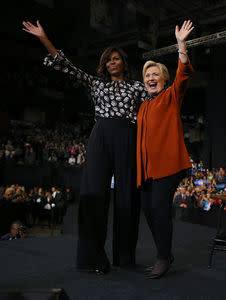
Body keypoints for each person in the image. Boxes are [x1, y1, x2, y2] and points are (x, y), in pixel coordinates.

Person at [23, 20, 148, 274]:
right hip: (100, 136)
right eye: (108, 59)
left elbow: (159, 104)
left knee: (127, 198)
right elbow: (65, 65)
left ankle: (125, 258)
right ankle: (92, 258)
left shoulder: (137, 87)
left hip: (127, 136)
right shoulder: (96, 84)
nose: (112, 62)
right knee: (94, 196)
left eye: (116, 58)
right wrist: (43, 37)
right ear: (105, 64)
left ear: (123, 61)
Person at [137, 20, 195, 279]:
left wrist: (181, 44)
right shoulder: (143, 106)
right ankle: (165, 253)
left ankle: (163, 258)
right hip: (147, 169)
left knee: (160, 209)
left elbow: (184, 74)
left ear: (164, 79)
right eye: (147, 76)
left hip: (167, 166)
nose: (151, 78)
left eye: (155, 75)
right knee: (149, 210)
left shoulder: (171, 96)